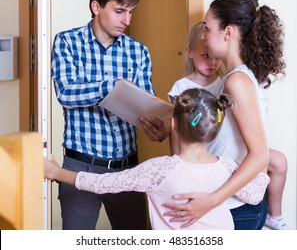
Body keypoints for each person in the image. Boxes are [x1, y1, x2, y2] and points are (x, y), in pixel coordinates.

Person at [45, 88, 270, 230]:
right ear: (214, 131)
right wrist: (262, 157)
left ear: (173, 125)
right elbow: (255, 192)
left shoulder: (159, 170)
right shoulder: (228, 168)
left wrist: (57, 172)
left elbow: (104, 183)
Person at [51, 0, 167, 230]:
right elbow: (66, 93)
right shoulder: (67, 42)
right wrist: (111, 87)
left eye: (131, 12)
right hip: (80, 167)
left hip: (127, 170)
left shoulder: (138, 51)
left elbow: (144, 104)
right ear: (96, 7)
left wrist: (157, 126)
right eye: (119, 11)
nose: (127, 20)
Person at [162, 0, 286, 230]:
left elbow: (259, 155)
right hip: (231, 205)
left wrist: (212, 199)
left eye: (208, 28)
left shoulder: (236, 82)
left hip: (235, 207)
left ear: (227, 33)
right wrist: (169, 128)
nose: (205, 37)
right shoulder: (232, 79)